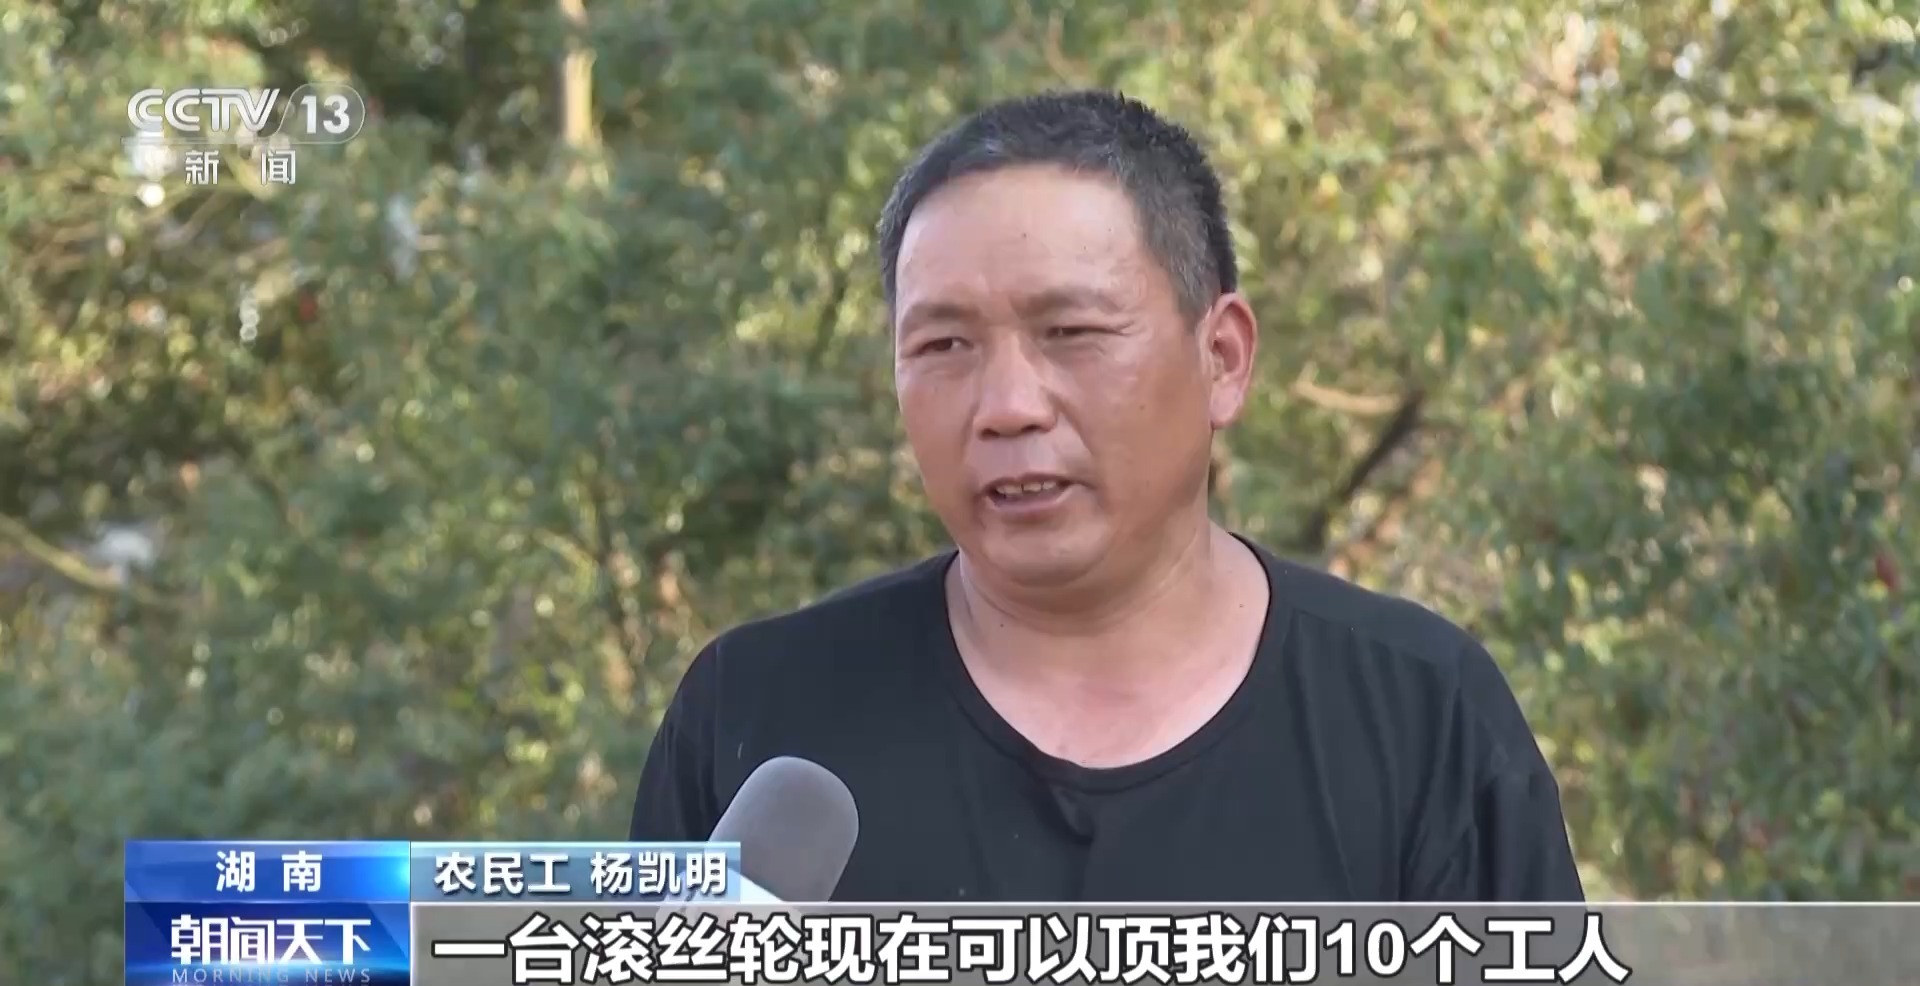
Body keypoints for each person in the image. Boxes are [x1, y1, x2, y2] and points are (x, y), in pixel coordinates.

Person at [630, 89, 1585, 902]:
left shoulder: (1420, 716)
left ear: (1223, 359)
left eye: (1072, 333)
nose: (1008, 407)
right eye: (944, 345)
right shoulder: (757, 718)